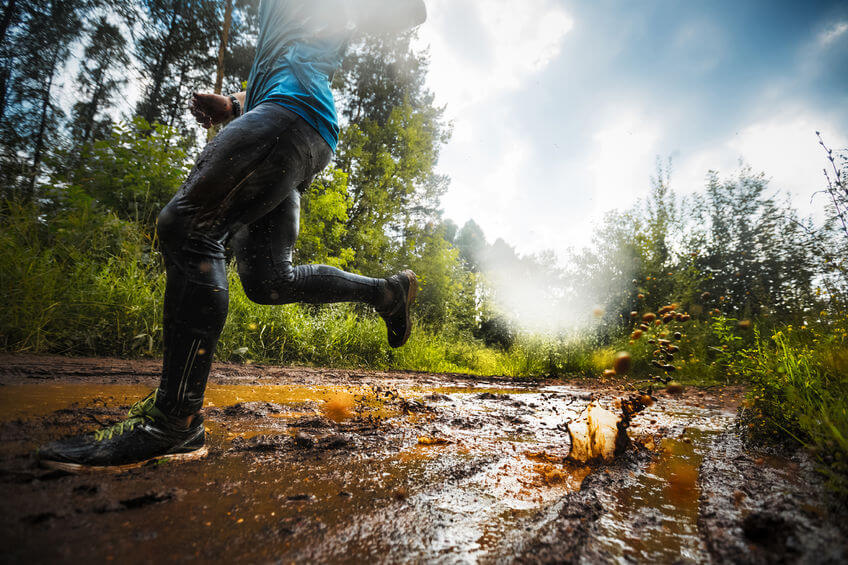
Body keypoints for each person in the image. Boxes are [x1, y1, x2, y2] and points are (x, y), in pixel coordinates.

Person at [37, 0, 427, 472]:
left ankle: (173, 421)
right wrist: (236, 107)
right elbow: (287, 53)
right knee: (268, 281)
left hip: (294, 114)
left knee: (188, 227)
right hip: (290, 120)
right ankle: (385, 293)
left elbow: (410, 10)